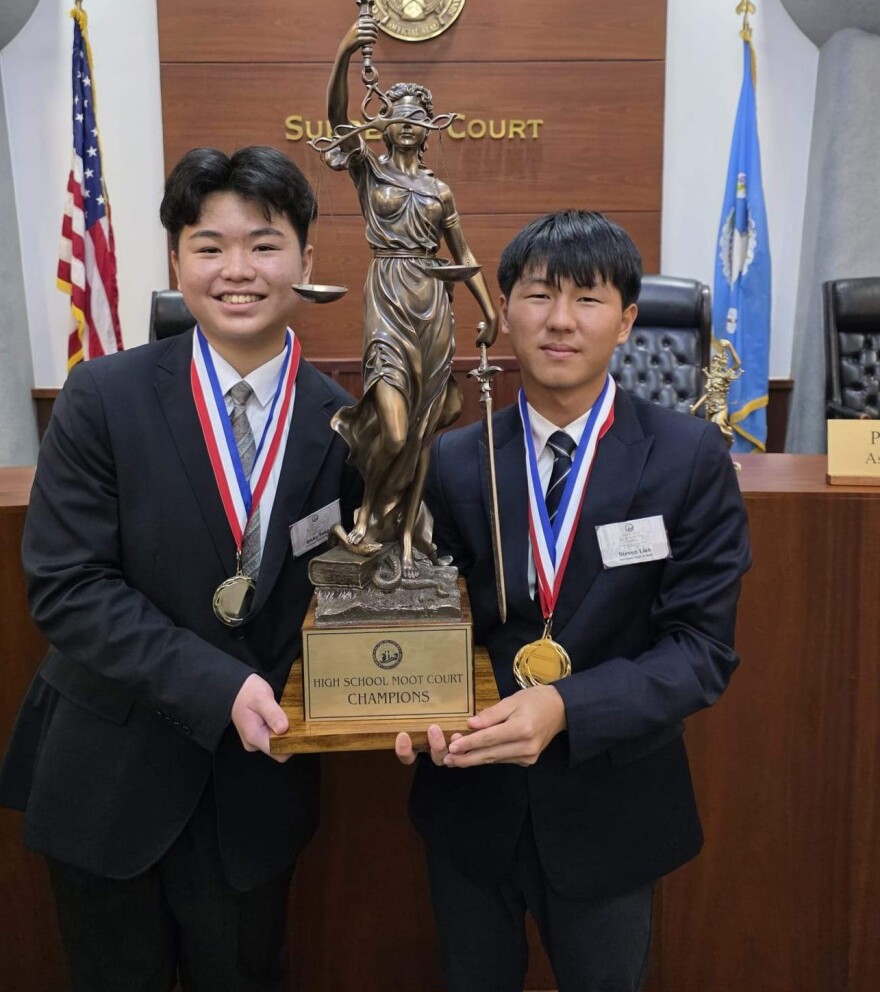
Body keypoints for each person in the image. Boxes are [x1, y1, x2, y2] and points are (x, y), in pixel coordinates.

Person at [0, 146, 360, 991]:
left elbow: (354, 588)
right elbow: (69, 588)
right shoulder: (103, 397)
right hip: (107, 773)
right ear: (177, 262)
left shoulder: (345, 425)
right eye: (209, 246)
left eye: (265, 244)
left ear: (307, 262)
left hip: (253, 789)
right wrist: (215, 685)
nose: (238, 269)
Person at [396, 210, 751, 992]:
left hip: (614, 807)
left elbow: (701, 651)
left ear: (626, 321)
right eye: (538, 294)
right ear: (504, 310)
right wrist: (409, 702)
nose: (560, 320)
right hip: (470, 804)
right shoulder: (454, 459)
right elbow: (430, 620)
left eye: (587, 299)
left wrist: (567, 708)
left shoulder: (687, 459)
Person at [323, 13, 497, 575]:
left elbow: (464, 254)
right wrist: (346, 53)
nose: (405, 126)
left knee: (421, 429)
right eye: (396, 117)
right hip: (387, 297)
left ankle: (399, 535)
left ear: (427, 130)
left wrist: (490, 311)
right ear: (384, 126)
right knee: (394, 426)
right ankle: (369, 517)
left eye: (416, 119)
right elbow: (335, 116)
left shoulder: (439, 191)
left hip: (433, 307)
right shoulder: (368, 174)